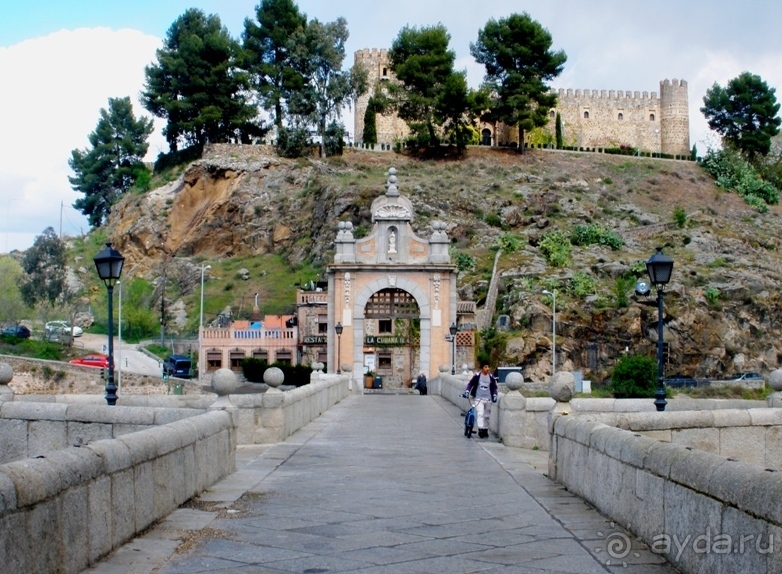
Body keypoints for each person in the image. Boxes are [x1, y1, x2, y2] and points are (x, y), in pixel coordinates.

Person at [462, 364, 498, 438]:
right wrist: (467, 391)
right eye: (485, 367)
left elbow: (494, 387)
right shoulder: (477, 376)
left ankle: (485, 429)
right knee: (480, 413)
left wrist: (494, 395)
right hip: (479, 398)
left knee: (487, 415)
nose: (487, 369)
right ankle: (480, 429)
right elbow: (470, 384)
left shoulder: (491, 377)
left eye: (488, 367)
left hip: (488, 399)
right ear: (482, 368)